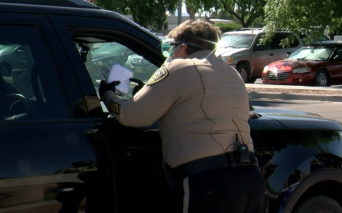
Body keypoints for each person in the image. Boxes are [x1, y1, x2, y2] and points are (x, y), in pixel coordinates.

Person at [98, 19, 265, 213]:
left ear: (183, 47)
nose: (168, 55)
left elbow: (131, 115)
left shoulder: (179, 67)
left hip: (209, 183)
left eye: (169, 48)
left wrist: (107, 94)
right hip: (250, 180)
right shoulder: (232, 73)